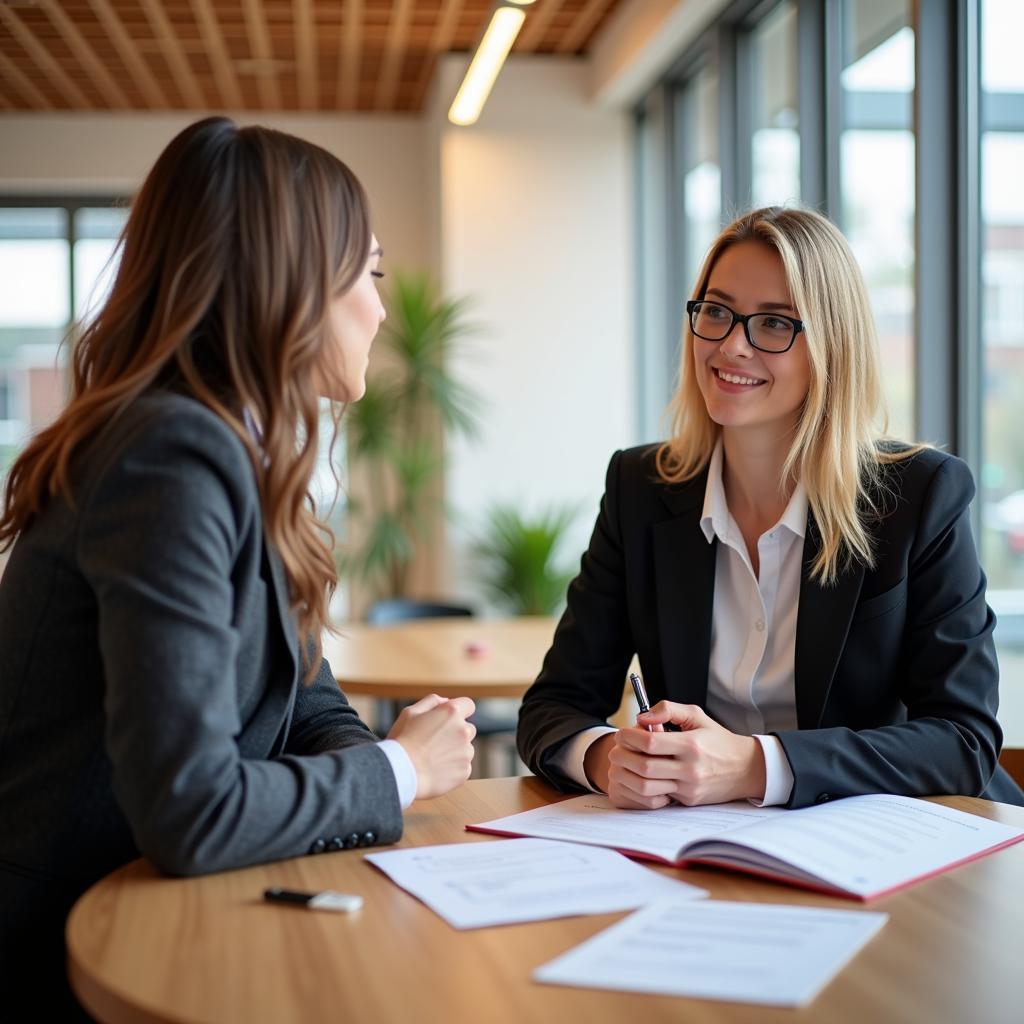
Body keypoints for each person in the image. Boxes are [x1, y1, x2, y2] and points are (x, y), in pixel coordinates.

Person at [0, 117, 476, 1016]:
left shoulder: (224, 448)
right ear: (293, 287)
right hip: (68, 952)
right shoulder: (170, 455)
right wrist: (400, 772)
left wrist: (372, 759)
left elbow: (305, 695)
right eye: (367, 273)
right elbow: (192, 811)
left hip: (155, 909)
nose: (380, 305)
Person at [517, 205, 1024, 813]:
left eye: (776, 324)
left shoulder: (918, 496)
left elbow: (963, 740)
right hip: (713, 847)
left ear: (832, 347)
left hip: (902, 848)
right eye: (717, 311)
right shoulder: (641, 487)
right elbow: (552, 706)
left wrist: (756, 765)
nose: (733, 345)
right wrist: (607, 759)